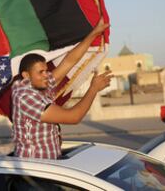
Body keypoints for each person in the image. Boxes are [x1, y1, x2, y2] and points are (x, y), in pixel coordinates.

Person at [11, 18, 112, 159]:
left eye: (46, 70)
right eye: (41, 72)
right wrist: (93, 89)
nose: (46, 75)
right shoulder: (26, 97)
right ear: (26, 76)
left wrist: (94, 33)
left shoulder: (39, 84)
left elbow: (69, 61)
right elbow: (73, 117)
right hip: (37, 169)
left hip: (48, 163)